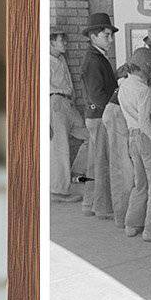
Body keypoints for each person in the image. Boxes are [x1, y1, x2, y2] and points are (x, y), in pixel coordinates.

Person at [117, 46, 151, 241]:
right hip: (146, 138)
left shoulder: (123, 85)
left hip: (132, 138)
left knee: (140, 184)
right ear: (146, 69)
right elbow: (145, 121)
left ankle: (132, 223)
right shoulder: (144, 90)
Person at [80, 12, 118, 220]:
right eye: (106, 35)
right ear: (93, 36)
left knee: (95, 162)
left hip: (94, 115)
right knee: (101, 162)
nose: (110, 39)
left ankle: (89, 203)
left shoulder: (95, 57)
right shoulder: (94, 60)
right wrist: (113, 108)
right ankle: (102, 207)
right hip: (100, 116)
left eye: (110, 35)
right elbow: (97, 94)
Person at [49, 25, 88, 203]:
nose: (65, 43)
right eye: (61, 40)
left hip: (67, 103)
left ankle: (76, 173)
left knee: (90, 135)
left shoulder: (61, 58)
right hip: (54, 102)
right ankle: (59, 191)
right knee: (60, 147)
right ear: (51, 42)